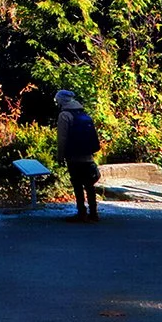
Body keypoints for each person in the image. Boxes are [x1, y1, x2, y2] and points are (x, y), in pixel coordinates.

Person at [54, 89, 101, 222]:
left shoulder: (65, 115)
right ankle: (94, 213)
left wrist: (60, 156)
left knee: (77, 184)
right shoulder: (82, 113)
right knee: (89, 185)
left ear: (61, 101)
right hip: (87, 155)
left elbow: (62, 138)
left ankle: (82, 213)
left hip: (73, 156)